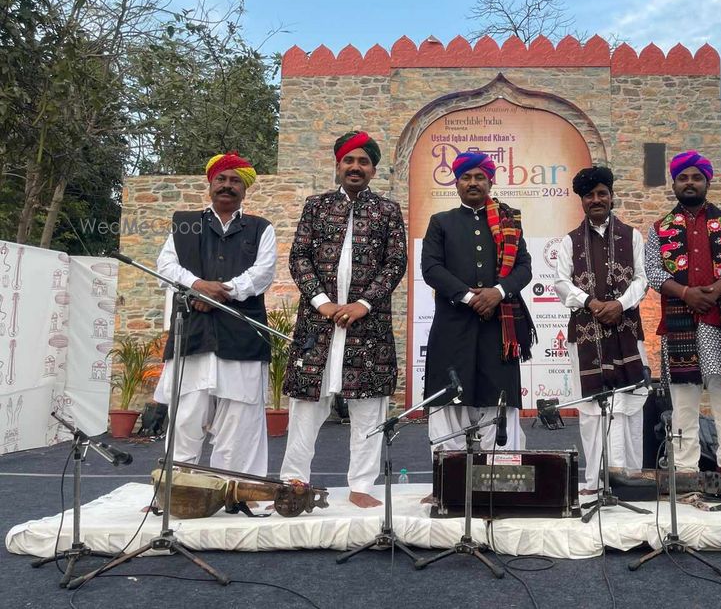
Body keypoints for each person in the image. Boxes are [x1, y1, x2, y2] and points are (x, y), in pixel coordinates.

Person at [282, 131, 407, 508]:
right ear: (338, 166)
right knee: (306, 405)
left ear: (373, 170)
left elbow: (394, 264)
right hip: (317, 325)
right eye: (348, 161)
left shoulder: (387, 210)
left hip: (367, 326)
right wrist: (321, 302)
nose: (355, 167)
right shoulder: (316, 206)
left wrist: (363, 305)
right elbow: (299, 258)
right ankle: (294, 480)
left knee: (369, 407)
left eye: (363, 162)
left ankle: (361, 486)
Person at [155, 152, 276, 477]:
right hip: (194, 334)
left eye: (235, 180)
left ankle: (236, 490)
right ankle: (174, 491)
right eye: (221, 179)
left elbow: (262, 273)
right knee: (186, 418)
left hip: (241, 337)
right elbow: (166, 266)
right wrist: (197, 285)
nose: (227, 185)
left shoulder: (260, 228)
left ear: (245, 189)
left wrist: (222, 291)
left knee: (240, 422)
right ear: (210, 184)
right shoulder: (185, 224)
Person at [644, 150, 721, 477]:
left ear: (707, 181)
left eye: (696, 177)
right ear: (674, 183)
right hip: (680, 326)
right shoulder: (659, 227)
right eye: (683, 177)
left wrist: (717, 290)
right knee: (683, 405)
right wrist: (687, 294)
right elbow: (652, 271)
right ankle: (686, 470)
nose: (689, 183)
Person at [421, 151, 535, 451]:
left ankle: (499, 483)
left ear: (490, 182)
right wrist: (470, 297)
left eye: (479, 177)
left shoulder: (509, 221)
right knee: (448, 400)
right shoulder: (441, 222)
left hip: (499, 328)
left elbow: (524, 267)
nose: (473, 183)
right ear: (457, 183)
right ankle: (449, 485)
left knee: (500, 399)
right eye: (466, 178)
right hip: (452, 327)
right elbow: (431, 269)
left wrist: (498, 292)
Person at [553, 167, 649, 495]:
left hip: (627, 330)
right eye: (590, 195)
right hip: (586, 334)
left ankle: (631, 480)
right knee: (594, 411)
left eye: (602, 193)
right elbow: (561, 282)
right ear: (582, 200)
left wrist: (620, 304)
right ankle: (596, 481)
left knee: (630, 407)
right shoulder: (569, 241)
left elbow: (642, 278)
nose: (597, 200)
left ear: (611, 196)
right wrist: (592, 303)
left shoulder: (632, 235)